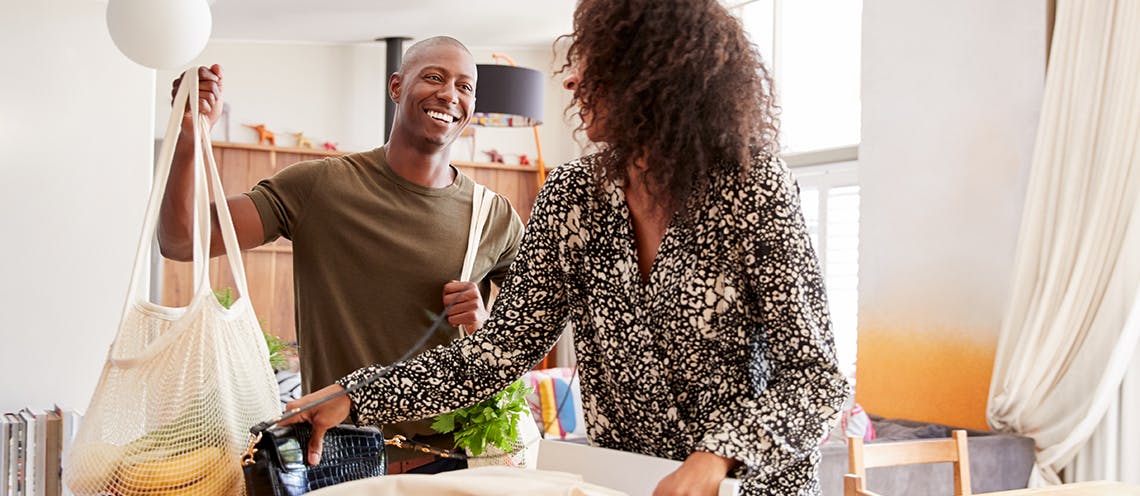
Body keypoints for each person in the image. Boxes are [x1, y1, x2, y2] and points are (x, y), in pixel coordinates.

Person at [283, 0, 851, 493]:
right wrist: (359, 394)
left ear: (656, 74)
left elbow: (817, 378)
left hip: (749, 488)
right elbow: (499, 351)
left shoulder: (750, 187)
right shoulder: (573, 195)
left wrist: (716, 457)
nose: (573, 81)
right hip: (625, 480)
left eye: (596, 63)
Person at [158, 36, 525, 474]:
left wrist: (485, 321)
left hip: (452, 461)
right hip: (337, 457)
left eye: (465, 86)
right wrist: (188, 136)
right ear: (396, 87)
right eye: (434, 77)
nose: (449, 94)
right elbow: (181, 240)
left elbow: (525, 333)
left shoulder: (493, 216)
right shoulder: (320, 186)